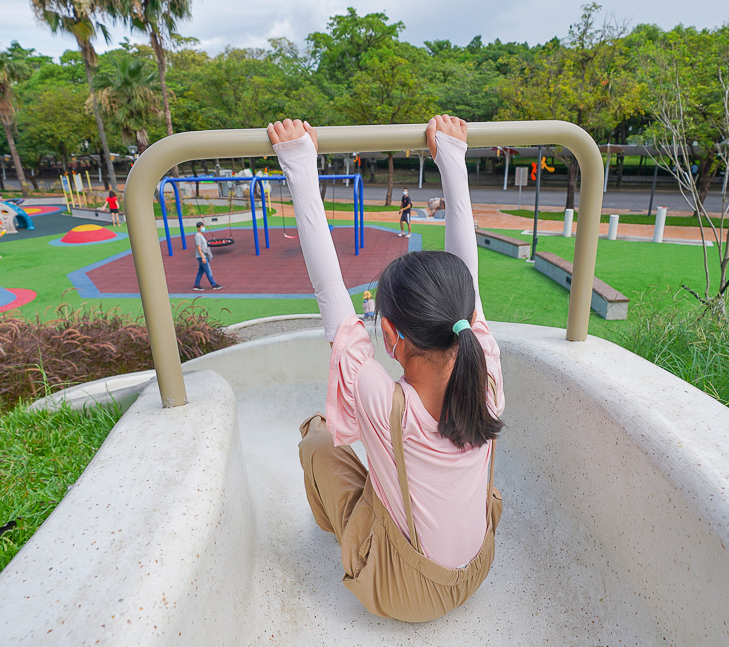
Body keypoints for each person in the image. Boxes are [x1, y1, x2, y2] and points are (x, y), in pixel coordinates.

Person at [268, 115, 504, 623]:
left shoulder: (383, 401)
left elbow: (331, 295)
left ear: (392, 337)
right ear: (464, 317)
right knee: (389, 475)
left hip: (406, 594)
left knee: (317, 435)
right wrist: (452, 155)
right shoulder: (485, 372)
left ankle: (342, 530)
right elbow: (470, 275)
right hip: (478, 567)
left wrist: (296, 161)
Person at [192, 221, 223, 291]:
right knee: (208, 270)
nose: (203, 228)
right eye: (201, 227)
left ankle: (196, 285)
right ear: (198, 228)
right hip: (201, 256)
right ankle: (213, 284)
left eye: (203, 227)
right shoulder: (197, 236)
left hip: (203, 255)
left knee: (201, 271)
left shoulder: (201, 235)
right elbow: (198, 247)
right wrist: (203, 257)